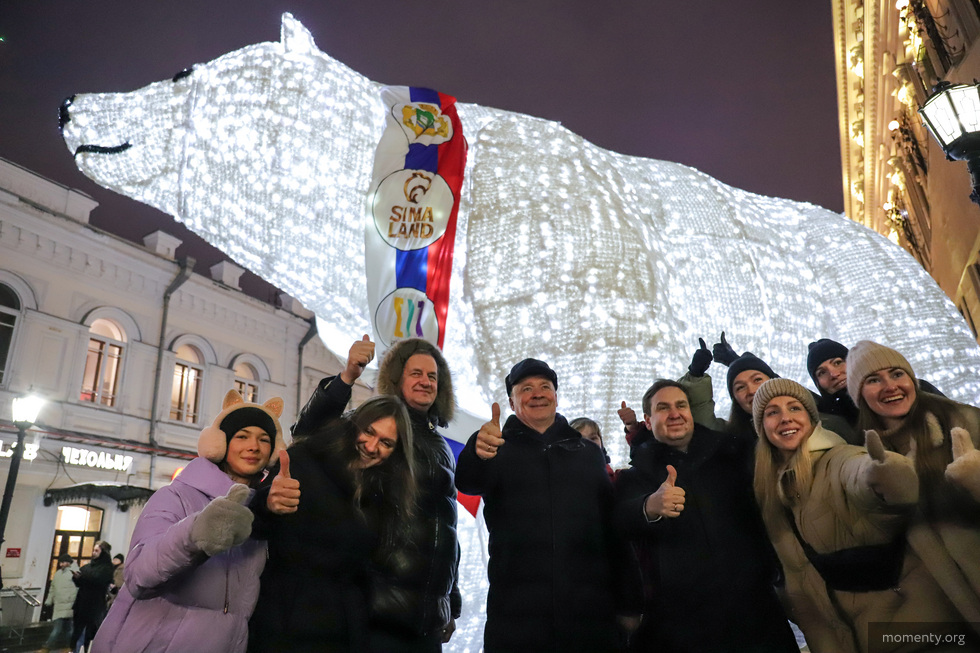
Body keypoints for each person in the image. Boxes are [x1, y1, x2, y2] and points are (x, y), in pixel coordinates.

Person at [752, 378, 968, 652]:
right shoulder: (773, 489)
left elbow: (861, 474)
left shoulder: (839, 458)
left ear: (812, 418)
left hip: (916, 634)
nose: (785, 418)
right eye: (772, 412)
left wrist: (885, 474)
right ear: (761, 427)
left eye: (795, 408)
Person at [456, 358, 641, 653]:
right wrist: (476, 450)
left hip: (589, 615)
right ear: (512, 402)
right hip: (517, 618)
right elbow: (467, 481)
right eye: (526, 388)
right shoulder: (495, 448)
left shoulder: (588, 453)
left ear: (556, 396)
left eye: (545, 386)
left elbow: (613, 530)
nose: (537, 394)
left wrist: (629, 601)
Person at [292, 336, 461, 650]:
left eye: (432, 376)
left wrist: (450, 598)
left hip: (428, 621)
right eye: (416, 373)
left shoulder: (442, 447)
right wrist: (347, 377)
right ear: (396, 379)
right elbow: (309, 431)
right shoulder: (380, 427)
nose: (425, 381)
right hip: (379, 612)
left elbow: (445, 526)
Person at [92, 390, 284, 653]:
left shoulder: (260, 515)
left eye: (264, 439)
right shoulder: (175, 496)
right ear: (220, 443)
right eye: (242, 436)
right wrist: (196, 534)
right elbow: (138, 575)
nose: (254, 446)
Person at [614, 379, 798, 653]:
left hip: (757, 611)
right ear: (648, 422)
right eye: (663, 408)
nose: (675, 414)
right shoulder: (636, 476)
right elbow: (620, 520)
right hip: (685, 625)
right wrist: (649, 506)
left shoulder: (732, 454)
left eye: (681, 405)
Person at [248, 394, 416, 653]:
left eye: (386, 442)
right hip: (284, 620)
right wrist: (267, 503)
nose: (372, 446)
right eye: (369, 432)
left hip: (343, 629)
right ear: (353, 426)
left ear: (396, 451)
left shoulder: (387, 494)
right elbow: (252, 525)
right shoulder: (306, 459)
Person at [847, 340, 980, 630]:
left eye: (897, 374)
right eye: (873, 380)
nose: (890, 386)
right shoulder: (866, 455)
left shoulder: (964, 420)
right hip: (953, 607)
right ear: (859, 395)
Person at [807, 338, 945, 431]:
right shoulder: (828, 423)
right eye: (821, 373)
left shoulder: (915, 390)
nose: (833, 374)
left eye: (838, 363)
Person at [72, 541, 114, 652]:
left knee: (89, 634)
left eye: (97, 551)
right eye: (93, 550)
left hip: (95, 606)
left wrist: (83, 577)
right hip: (81, 604)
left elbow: (97, 579)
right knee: (77, 633)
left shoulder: (106, 568)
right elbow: (83, 580)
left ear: (103, 552)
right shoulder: (88, 566)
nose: (93, 553)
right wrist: (77, 578)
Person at [42, 553, 77, 653]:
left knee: (65, 630)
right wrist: (49, 600)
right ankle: (65, 647)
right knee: (62, 629)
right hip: (59, 605)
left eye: (63, 562)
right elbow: (53, 588)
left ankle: (49, 647)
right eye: (60, 562)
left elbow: (77, 588)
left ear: (69, 562)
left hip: (70, 605)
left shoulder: (74, 573)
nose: (61, 564)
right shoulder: (58, 574)